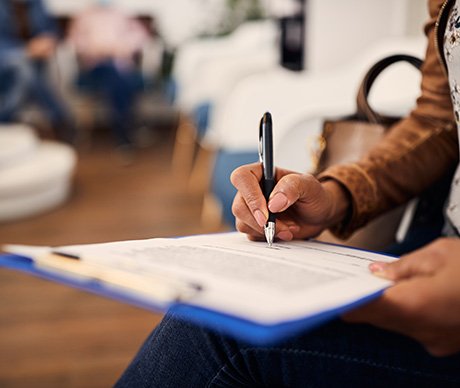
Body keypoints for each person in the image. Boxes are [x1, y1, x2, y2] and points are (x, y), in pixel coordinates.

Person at [115, 0, 460, 386]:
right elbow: (438, 120)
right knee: (225, 304)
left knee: (221, 332)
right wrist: (336, 194)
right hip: (435, 254)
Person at [67, 0, 149, 150]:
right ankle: (126, 132)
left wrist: (123, 46)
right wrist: (98, 49)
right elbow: (76, 42)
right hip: (96, 67)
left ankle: (123, 134)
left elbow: (140, 36)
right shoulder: (84, 16)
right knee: (117, 77)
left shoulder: (121, 14)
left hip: (121, 66)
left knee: (119, 78)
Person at [0, 0, 76, 144]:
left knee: (26, 72)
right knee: (23, 69)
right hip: (5, 65)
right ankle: (60, 118)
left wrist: (47, 41)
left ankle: (4, 120)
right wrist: (25, 51)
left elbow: (51, 29)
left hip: (35, 64)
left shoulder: (37, 4)